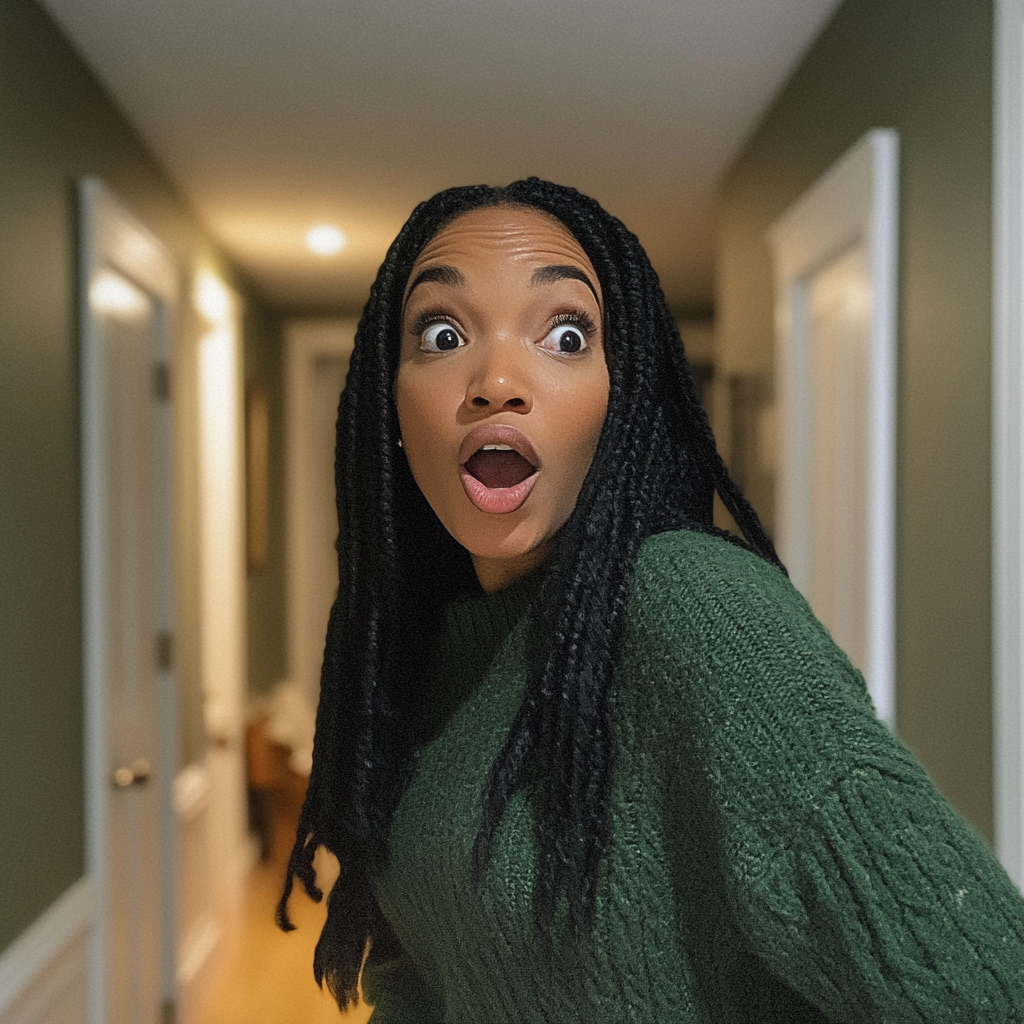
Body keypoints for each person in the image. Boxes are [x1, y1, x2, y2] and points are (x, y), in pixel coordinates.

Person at [278, 178, 1024, 1021]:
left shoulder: (692, 606)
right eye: (442, 334)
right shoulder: (428, 653)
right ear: (394, 407)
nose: (494, 380)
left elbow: (981, 986)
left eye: (565, 334)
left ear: (622, 394)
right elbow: (426, 974)